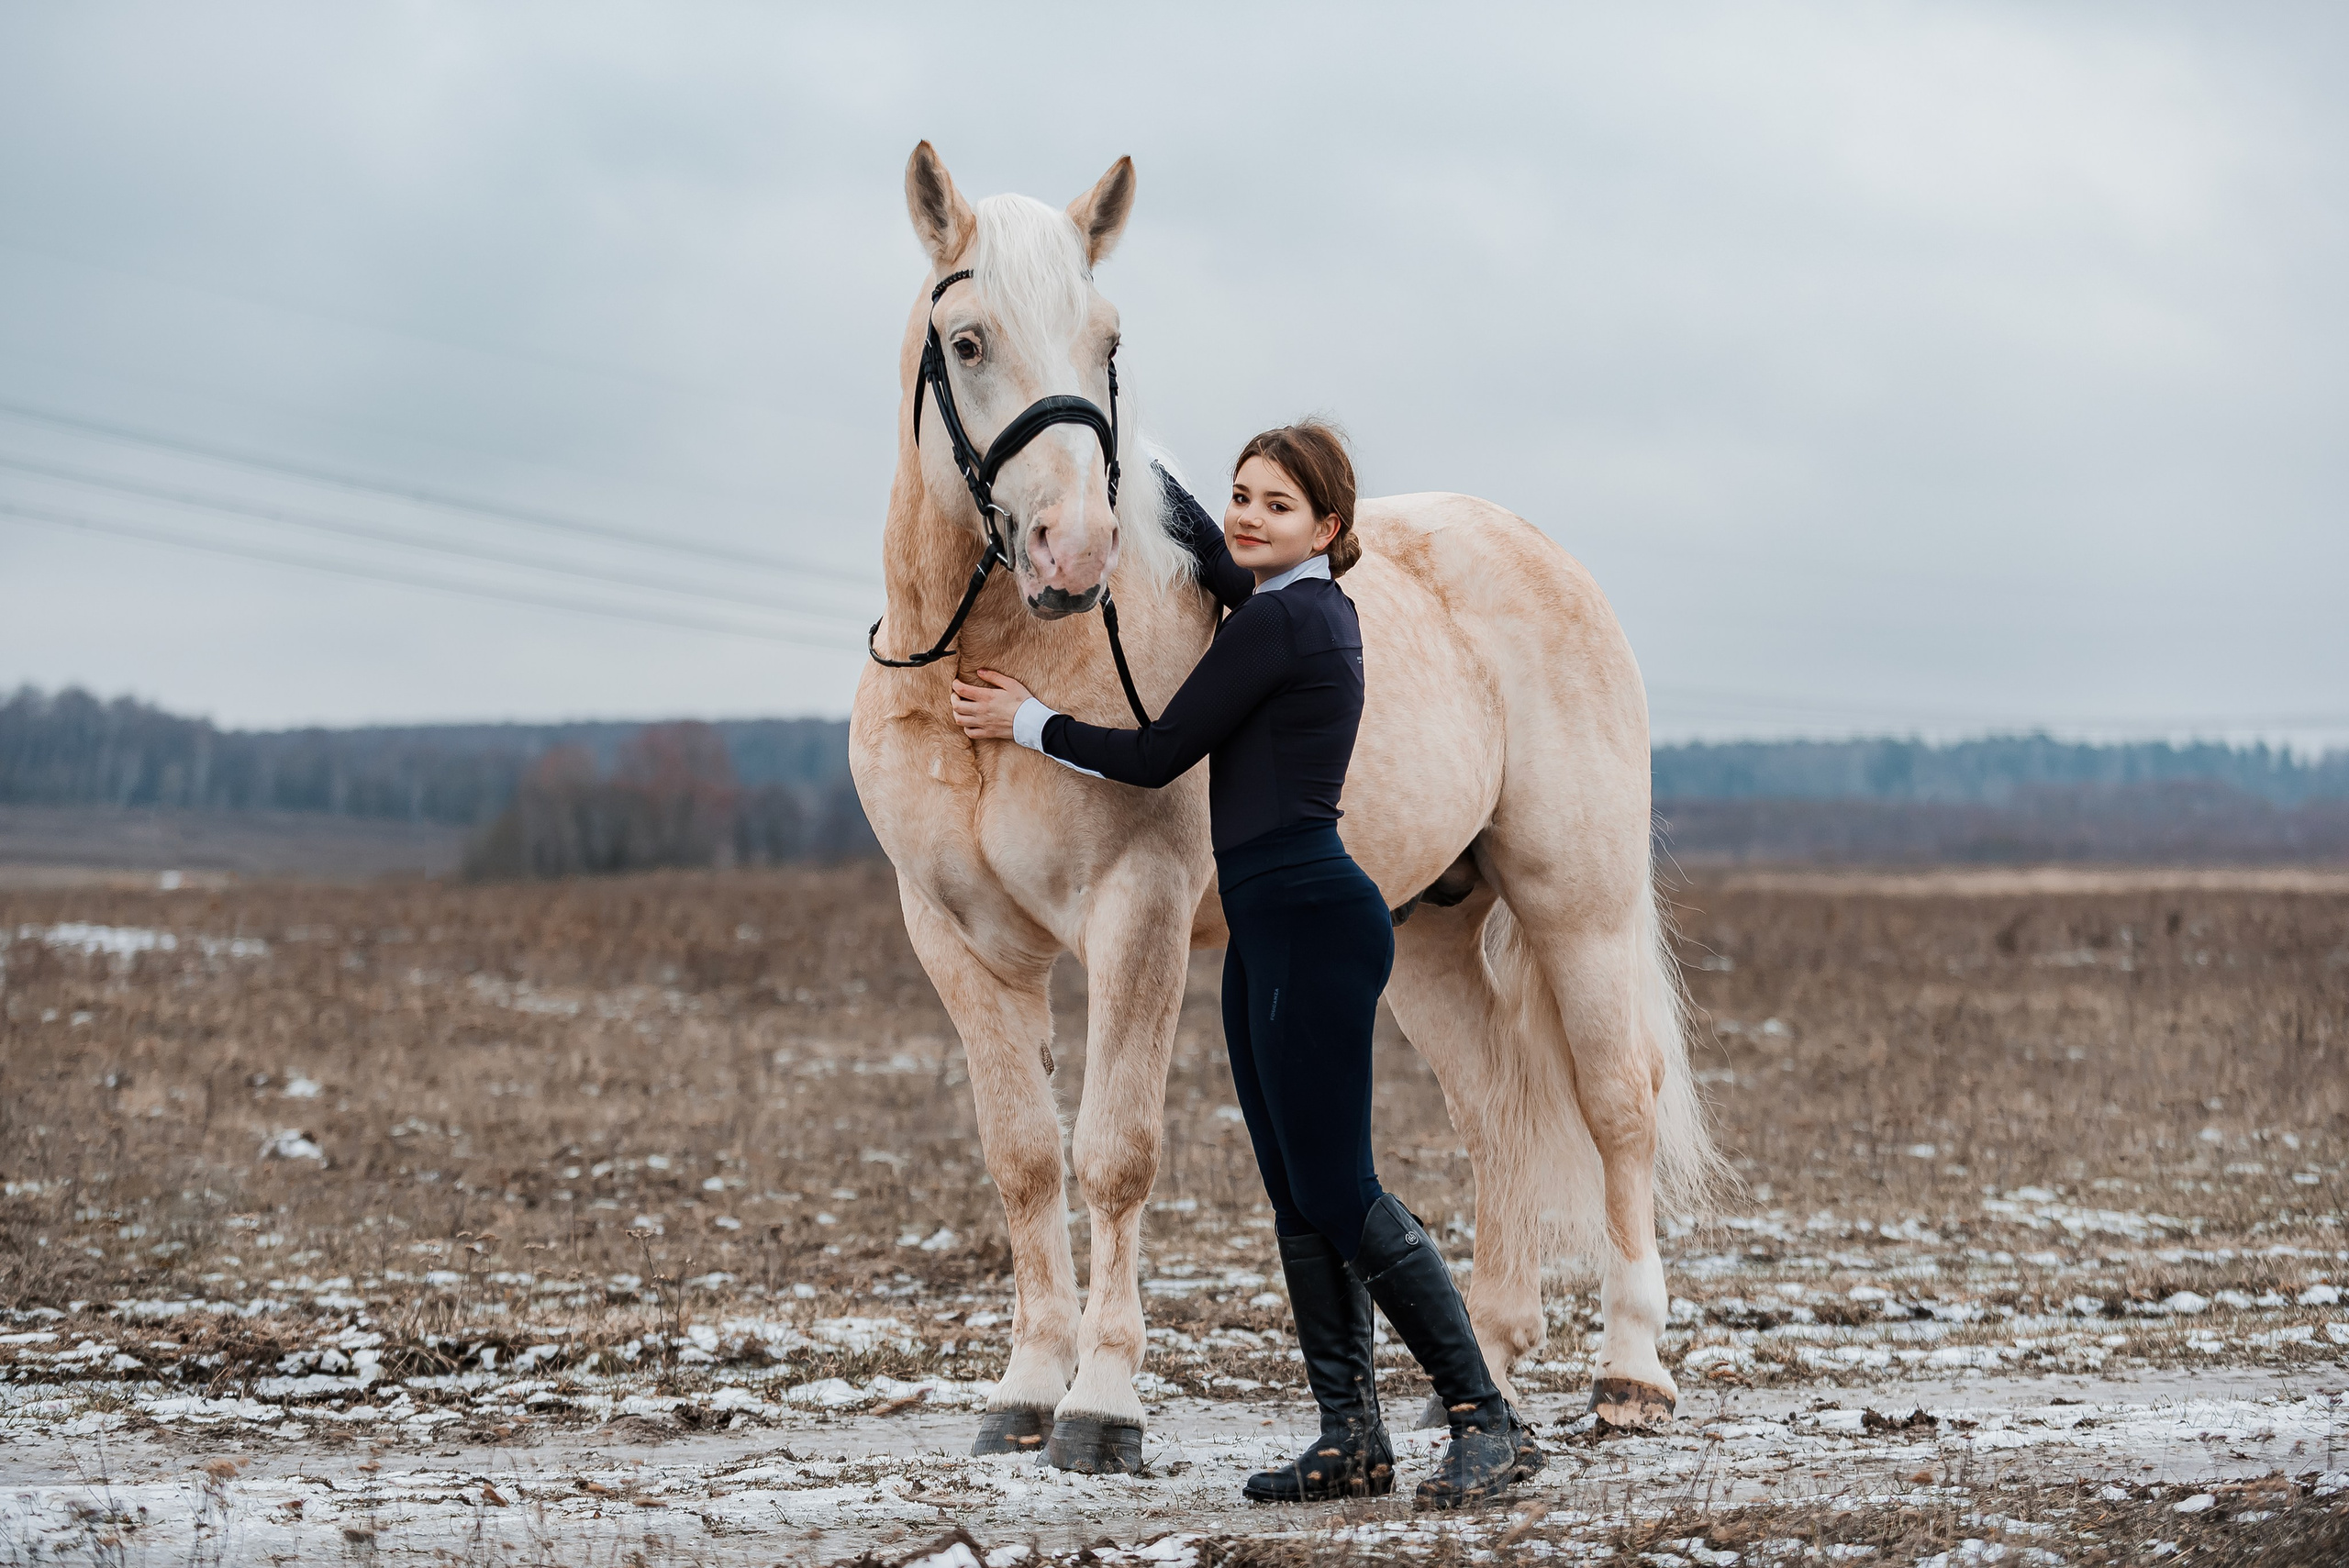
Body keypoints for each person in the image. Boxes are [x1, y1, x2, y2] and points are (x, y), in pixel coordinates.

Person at [950, 422, 1542, 1510]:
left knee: (1339, 1188)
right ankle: (1349, 1435)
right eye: (1239, 494)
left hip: (1315, 916)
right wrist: (1112, 449)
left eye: (1275, 504)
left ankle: (1483, 1415)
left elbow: (1156, 752)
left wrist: (1026, 720)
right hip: (1265, 924)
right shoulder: (1277, 607)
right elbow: (1209, 555)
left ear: (1326, 528)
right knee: (1294, 1192)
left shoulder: (1297, 622)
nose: (1245, 516)